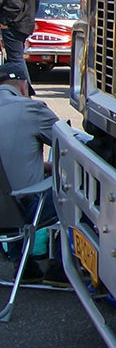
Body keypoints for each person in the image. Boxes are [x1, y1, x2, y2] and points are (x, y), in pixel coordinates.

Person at [0, 69, 61, 282]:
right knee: (74, 193)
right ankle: (61, 269)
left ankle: (24, 264)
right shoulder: (30, 109)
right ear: (24, 86)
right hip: (16, 211)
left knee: (10, 194)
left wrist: (41, 166)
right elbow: (67, 145)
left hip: (5, 208)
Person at [1, 0, 41, 91]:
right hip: (26, 23)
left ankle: (26, 90)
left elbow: (14, 4)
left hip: (14, 25)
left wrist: (4, 22)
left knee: (16, 60)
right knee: (17, 58)